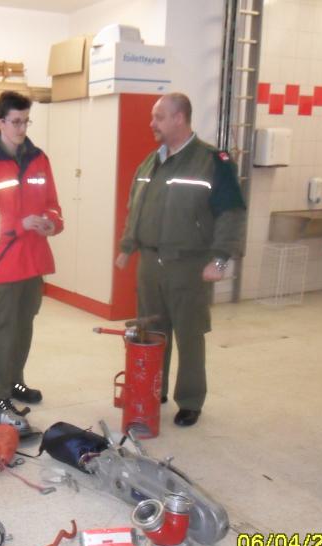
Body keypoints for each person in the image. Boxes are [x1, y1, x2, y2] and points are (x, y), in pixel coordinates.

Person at [115, 92, 246, 427]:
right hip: (150, 263)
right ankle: (153, 388)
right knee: (151, 331)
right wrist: (128, 246)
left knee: (189, 335)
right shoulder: (151, 162)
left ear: (179, 118)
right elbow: (136, 207)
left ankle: (189, 400)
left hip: (189, 264)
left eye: (158, 117)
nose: (152, 123)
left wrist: (220, 259)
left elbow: (231, 213)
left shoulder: (212, 161)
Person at [0, 91, 63, 416]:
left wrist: (52, 223)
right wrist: (18, 225)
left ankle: (16, 382)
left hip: (34, 262)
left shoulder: (40, 159)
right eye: (16, 122)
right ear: (0, 122)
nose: (22, 128)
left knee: (24, 327)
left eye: (26, 121)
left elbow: (52, 203)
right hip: (5, 264)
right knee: (2, 329)